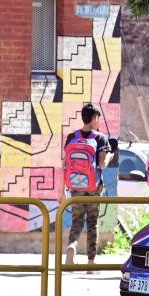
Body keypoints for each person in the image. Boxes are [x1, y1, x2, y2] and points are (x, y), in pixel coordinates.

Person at [64, 103, 111, 267]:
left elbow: (65, 164)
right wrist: (110, 156)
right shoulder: (100, 138)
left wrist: (61, 190)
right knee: (92, 222)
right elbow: (103, 164)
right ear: (93, 118)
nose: (99, 121)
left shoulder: (72, 137)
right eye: (98, 118)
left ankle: (72, 246)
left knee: (76, 220)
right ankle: (91, 261)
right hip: (93, 186)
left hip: (76, 185)